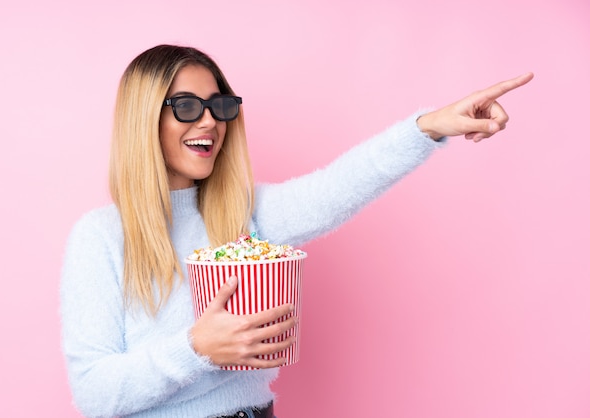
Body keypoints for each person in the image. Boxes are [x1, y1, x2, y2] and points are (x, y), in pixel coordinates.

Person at [60, 44, 533, 418]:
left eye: (219, 106)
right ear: (144, 118)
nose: (209, 120)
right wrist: (195, 349)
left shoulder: (246, 216)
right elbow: (95, 394)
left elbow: (338, 186)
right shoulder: (100, 238)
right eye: (186, 106)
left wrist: (428, 127)